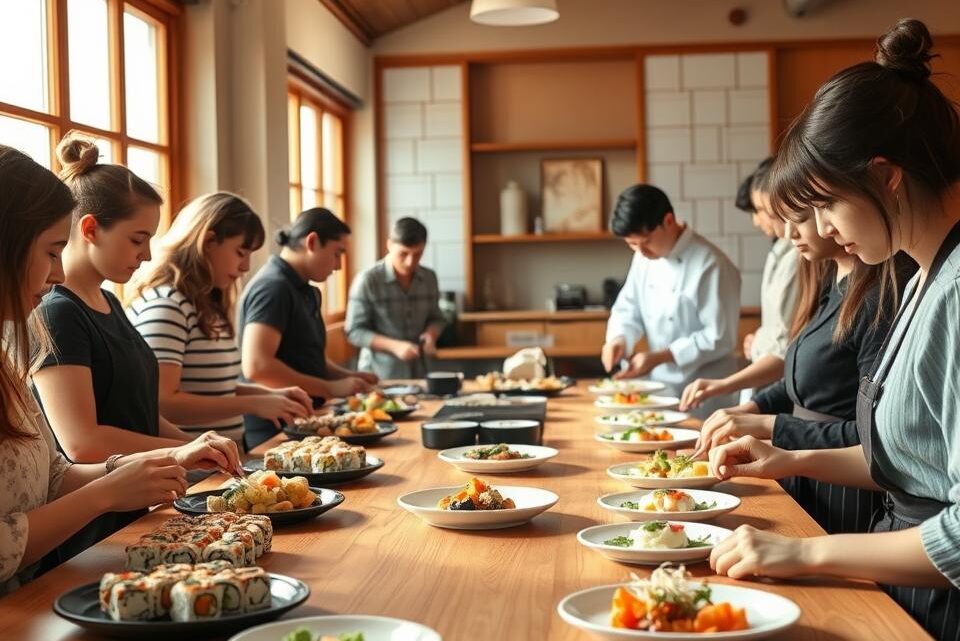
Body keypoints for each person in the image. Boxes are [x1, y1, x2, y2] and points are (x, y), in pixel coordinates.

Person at [705, 20, 960, 639]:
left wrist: (806, 553)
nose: (817, 229)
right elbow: (909, 460)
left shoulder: (953, 288)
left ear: (884, 174)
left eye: (824, 204)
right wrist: (790, 456)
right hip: (897, 583)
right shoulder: (925, 275)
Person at [0, 144, 241, 594]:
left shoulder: (19, 347)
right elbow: (81, 443)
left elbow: (51, 475)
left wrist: (174, 454)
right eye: (52, 252)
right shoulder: (55, 314)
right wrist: (109, 490)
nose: (56, 275)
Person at [692, 210, 907, 534]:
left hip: (843, 487)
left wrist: (773, 425)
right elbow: (801, 382)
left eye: (802, 218)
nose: (790, 234)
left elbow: (871, 436)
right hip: (803, 468)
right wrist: (751, 407)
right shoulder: (829, 284)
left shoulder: (876, 298)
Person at [127, 193, 312, 446]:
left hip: (221, 457)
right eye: (240, 252)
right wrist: (254, 403)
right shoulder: (167, 305)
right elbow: (163, 402)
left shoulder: (205, 305)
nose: (246, 266)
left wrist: (269, 396)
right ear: (208, 241)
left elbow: (212, 386)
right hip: (190, 466)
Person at [239, 207, 377, 450]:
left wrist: (347, 377)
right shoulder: (273, 288)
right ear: (312, 241)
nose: (338, 266)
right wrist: (330, 388)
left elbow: (311, 359)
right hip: (273, 429)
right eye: (337, 253)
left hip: (304, 418)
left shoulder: (307, 290)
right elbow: (258, 366)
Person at [600, 184, 741, 418]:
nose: (640, 251)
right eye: (632, 244)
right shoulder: (644, 257)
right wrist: (619, 339)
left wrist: (660, 357)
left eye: (645, 241)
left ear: (667, 221)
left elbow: (719, 338)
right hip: (660, 388)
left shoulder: (711, 264)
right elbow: (628, 307)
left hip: (705, 393)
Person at [681, 159, 798, 410]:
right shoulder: (781, 250)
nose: (757, 221)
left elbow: (784, 346)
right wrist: (760, 338)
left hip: (780, 380)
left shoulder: (798, 257)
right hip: (768, 376)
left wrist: (759, 343)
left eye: (760, 210)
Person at [345, 217, 445, 380]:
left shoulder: (429, 278)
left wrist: (431, 335)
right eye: (403, 254)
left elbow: (437, 318)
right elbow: (354, 331)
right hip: (379, 375)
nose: (410, 262)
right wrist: (395, 347)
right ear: (389, 244)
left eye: (418, 254)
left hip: (421, 372)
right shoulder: (367, 280)